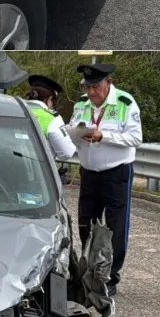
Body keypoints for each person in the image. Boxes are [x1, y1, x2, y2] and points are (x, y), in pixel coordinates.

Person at [70, 63, 142, 294]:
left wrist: (104, 136)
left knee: (116, 226)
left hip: (116, 173)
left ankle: (110, 277)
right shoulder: (81, 103)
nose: (91, 92)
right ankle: (90, 268)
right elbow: (72, 129)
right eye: (87, 87)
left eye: (95, 87)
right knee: (85, 222)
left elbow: (135, 138)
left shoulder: (125, 103)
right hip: (89, 172)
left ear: (108, 83)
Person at [23, 75, 77, 180]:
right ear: (50, 99)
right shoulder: (51, 118)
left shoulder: (15, 110)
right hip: (39, 177)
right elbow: (66, 153)